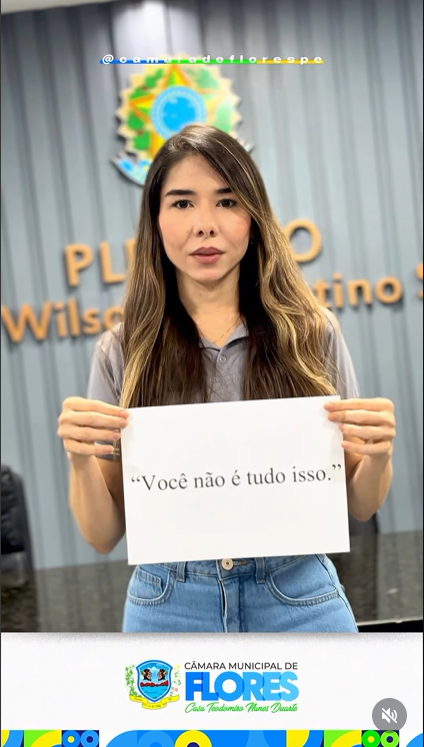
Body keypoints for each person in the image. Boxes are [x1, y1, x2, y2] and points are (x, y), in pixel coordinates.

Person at [57, 124, 396, 633]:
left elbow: (361, 505)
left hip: (298, 596)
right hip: (168, 604)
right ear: (155, 221)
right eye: (182, 203)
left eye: (227, 201)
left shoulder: (310, 332)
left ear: (253, 219)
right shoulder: (124, 350)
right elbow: (102, 536)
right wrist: (80, 459)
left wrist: (379, 454)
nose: (205, 225)